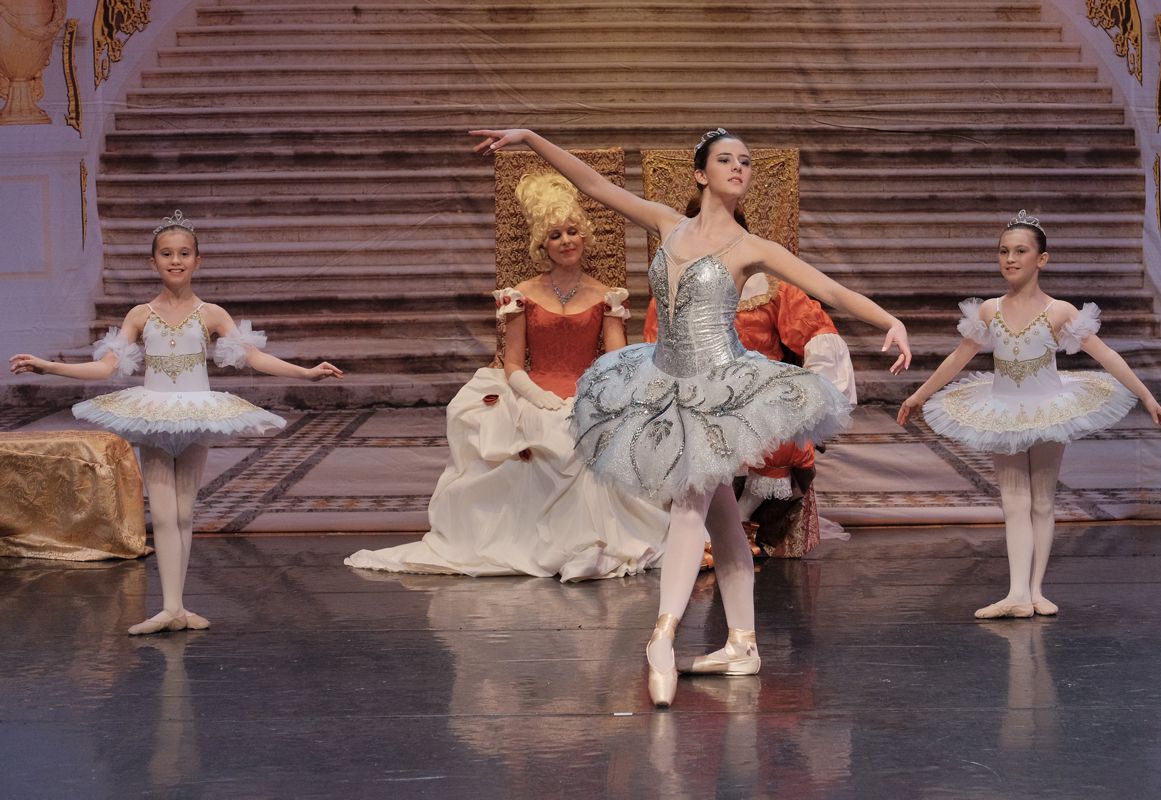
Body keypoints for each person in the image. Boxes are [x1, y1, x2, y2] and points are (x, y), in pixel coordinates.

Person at [471, 127, 911, 707]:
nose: (739, 168)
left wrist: (890, 321)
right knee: (723, 520)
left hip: (719, 387)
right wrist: (532, 138)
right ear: (701, 174)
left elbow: (829, 289)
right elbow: (594, 185)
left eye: (746, 161)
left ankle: (662, 636)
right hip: (664, 379)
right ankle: (742, 644)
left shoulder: (752, 248)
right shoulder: (666, 224)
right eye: (726, 160)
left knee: (689, 503)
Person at [9, 210, 343, 635]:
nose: (175, 260)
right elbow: (105, 367)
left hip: (195, 415)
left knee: (184, 514)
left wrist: (306, 373)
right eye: (166, 254)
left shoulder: (211, 314)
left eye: (184, 253)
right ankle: (169, 608)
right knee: (164, 515)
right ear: (153, 262)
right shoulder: (140, 315)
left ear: (197, 261)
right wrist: (48, 367)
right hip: (154, 416)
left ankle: (177, 608)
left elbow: (254, 357)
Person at [344, 173, 669, 581]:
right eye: (555, 235)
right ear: (542, 245)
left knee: (588, 439)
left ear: (585, 236)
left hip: (586, 395)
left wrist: (597, 397)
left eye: (572, 231)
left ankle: (593, 545)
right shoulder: (522, 295)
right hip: (532, 393)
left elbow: (615, 360)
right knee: (545, 441)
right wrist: (535, 395)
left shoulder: (607, 296)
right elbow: (513, 363)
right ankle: (552, 546)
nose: (566, 241)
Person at [897, 210, 1161, 619]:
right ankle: (1016, 594)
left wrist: (1147, 397)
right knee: (1014, 501)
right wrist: (918, 395)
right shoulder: (989, 310)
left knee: (1042, 500)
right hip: (1003, 410)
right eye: (1003, 251)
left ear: (1041, 259)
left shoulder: (1059, 311)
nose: (1010, 259)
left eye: (1020, 251)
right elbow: (958, 359)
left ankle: (1034, 591)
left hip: (1048, 408)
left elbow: (1107, 355)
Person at [645, 272, 857, 557]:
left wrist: (811, 391)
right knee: (692, 439)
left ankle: (742, 519)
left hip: (759, 392)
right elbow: (657, 348)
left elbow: (816, 329)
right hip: (700, 391)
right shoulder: (676, 293)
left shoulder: (769, 290)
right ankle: (704, 527)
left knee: (778, 440)